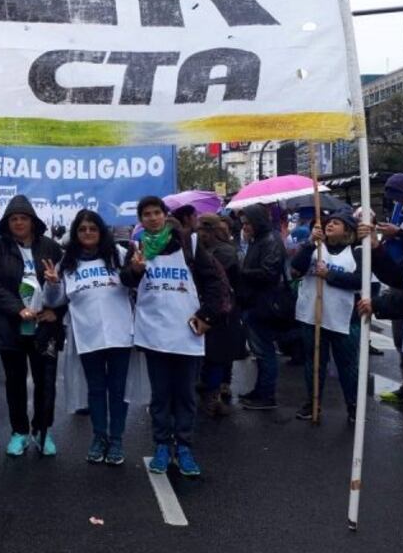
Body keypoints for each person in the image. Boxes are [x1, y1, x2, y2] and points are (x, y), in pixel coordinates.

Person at [120, 196, 228, 477]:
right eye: (146, 214)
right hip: (154, 332)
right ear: (140, 219)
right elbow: (126, 282)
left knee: (185, 395)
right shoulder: (137, 247)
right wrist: (135, 269)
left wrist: (207, 317)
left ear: (166, 215)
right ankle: (161, 446)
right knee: (160, 396)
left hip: (186, 332)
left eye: (157, 213)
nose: (152, 218)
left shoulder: (189, 244)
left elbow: (216, 282)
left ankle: (184, 447)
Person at [43, 210, 132, 464]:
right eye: (82, 229)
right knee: (95, 389)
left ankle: (116, 439)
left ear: (101, 231)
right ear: (76, 233)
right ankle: (99, 435)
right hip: (87, 334)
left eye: (93, 228)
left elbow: (133, 282)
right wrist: (51, 283)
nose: (88, 233)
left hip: (120, 333)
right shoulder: (67, 263)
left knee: (117, 390)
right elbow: (55, 300)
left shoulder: (119, 254)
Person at [0, 195, 65, 457]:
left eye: (23, 218)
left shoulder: (50, 247)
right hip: (11, 325)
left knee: (45, 381)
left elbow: (67, 282)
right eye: (14, 219)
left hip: (44, 327)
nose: (19, 223)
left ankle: (43, 431)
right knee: (14, 381)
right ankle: (19, 431)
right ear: (7, 222)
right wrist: (18, 308)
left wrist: (55, 311)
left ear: (32, 221)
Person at [290, 211, 361, 423]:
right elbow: (295, 270)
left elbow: (360, 281)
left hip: (343, 317)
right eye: (328, 223)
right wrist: (311, 243)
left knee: (347, 365)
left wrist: (330, 275)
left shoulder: (355, 252)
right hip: (313, 315)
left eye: (336, 223)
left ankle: (353, 406)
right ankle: (313, 403)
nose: (330, 225)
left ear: (347, 230)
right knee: (314, 363)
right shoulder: (314, 248)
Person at [238, 204, 288, 410]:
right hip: (256, 302)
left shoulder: (270, 240)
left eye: (248, 223)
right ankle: (260, 390)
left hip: (263, 304)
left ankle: (266, 394)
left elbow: (269, 273)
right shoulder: (259, 239)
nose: (245, 227)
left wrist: (242, 272)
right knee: (260, 351)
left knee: (264, 350)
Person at [196, 214, 244, 418]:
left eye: (202, 230)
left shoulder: (224, 252)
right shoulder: (206, 250)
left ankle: (213, 396)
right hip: (209, 308)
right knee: (209, 356)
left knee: (217, 356)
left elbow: (218, 282)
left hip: (222, 311)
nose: (199, 234)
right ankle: (209, 390)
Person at [379, 173, 403, 403]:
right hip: (402, 278)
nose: (397, 200)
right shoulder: (399, 212)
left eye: (399, 195)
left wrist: (399, 233)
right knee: (402, 339)